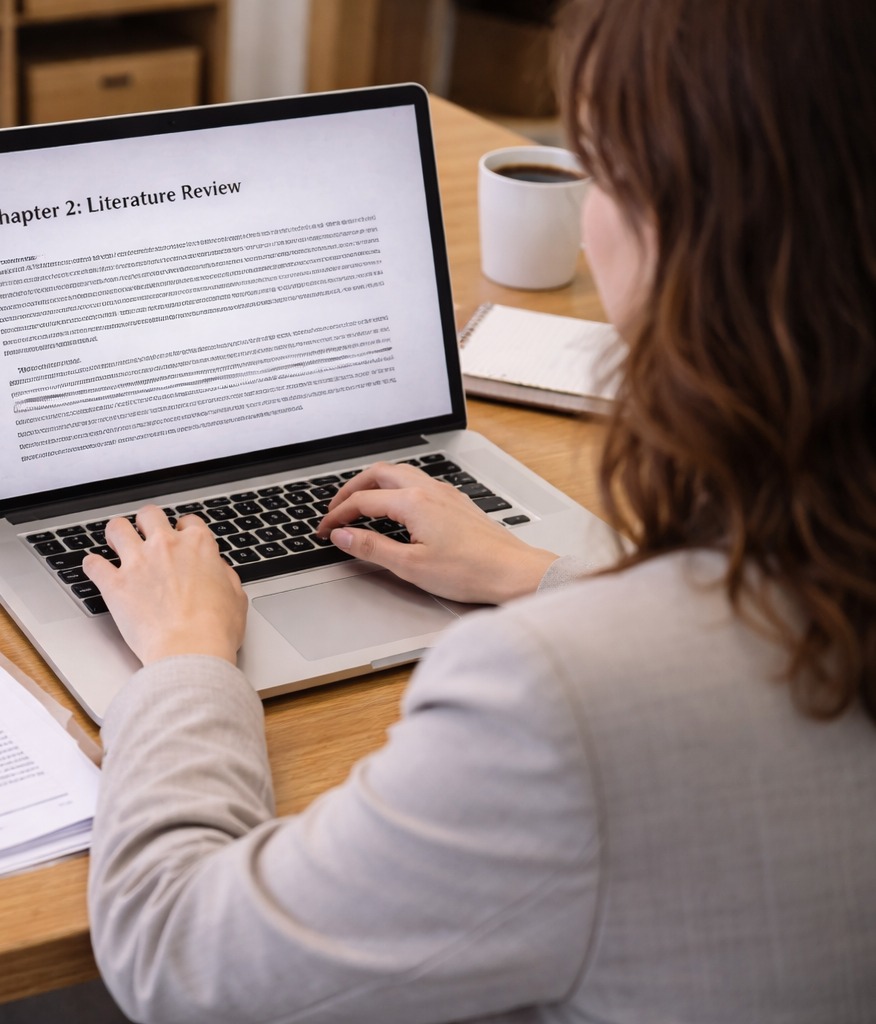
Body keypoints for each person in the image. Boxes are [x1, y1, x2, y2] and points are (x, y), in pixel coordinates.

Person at [80, 0, 876, 1020]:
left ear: (683, 229)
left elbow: (178, 955)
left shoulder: (556, 697)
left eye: (594, 166)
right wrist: (543, 573)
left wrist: (189, 653)